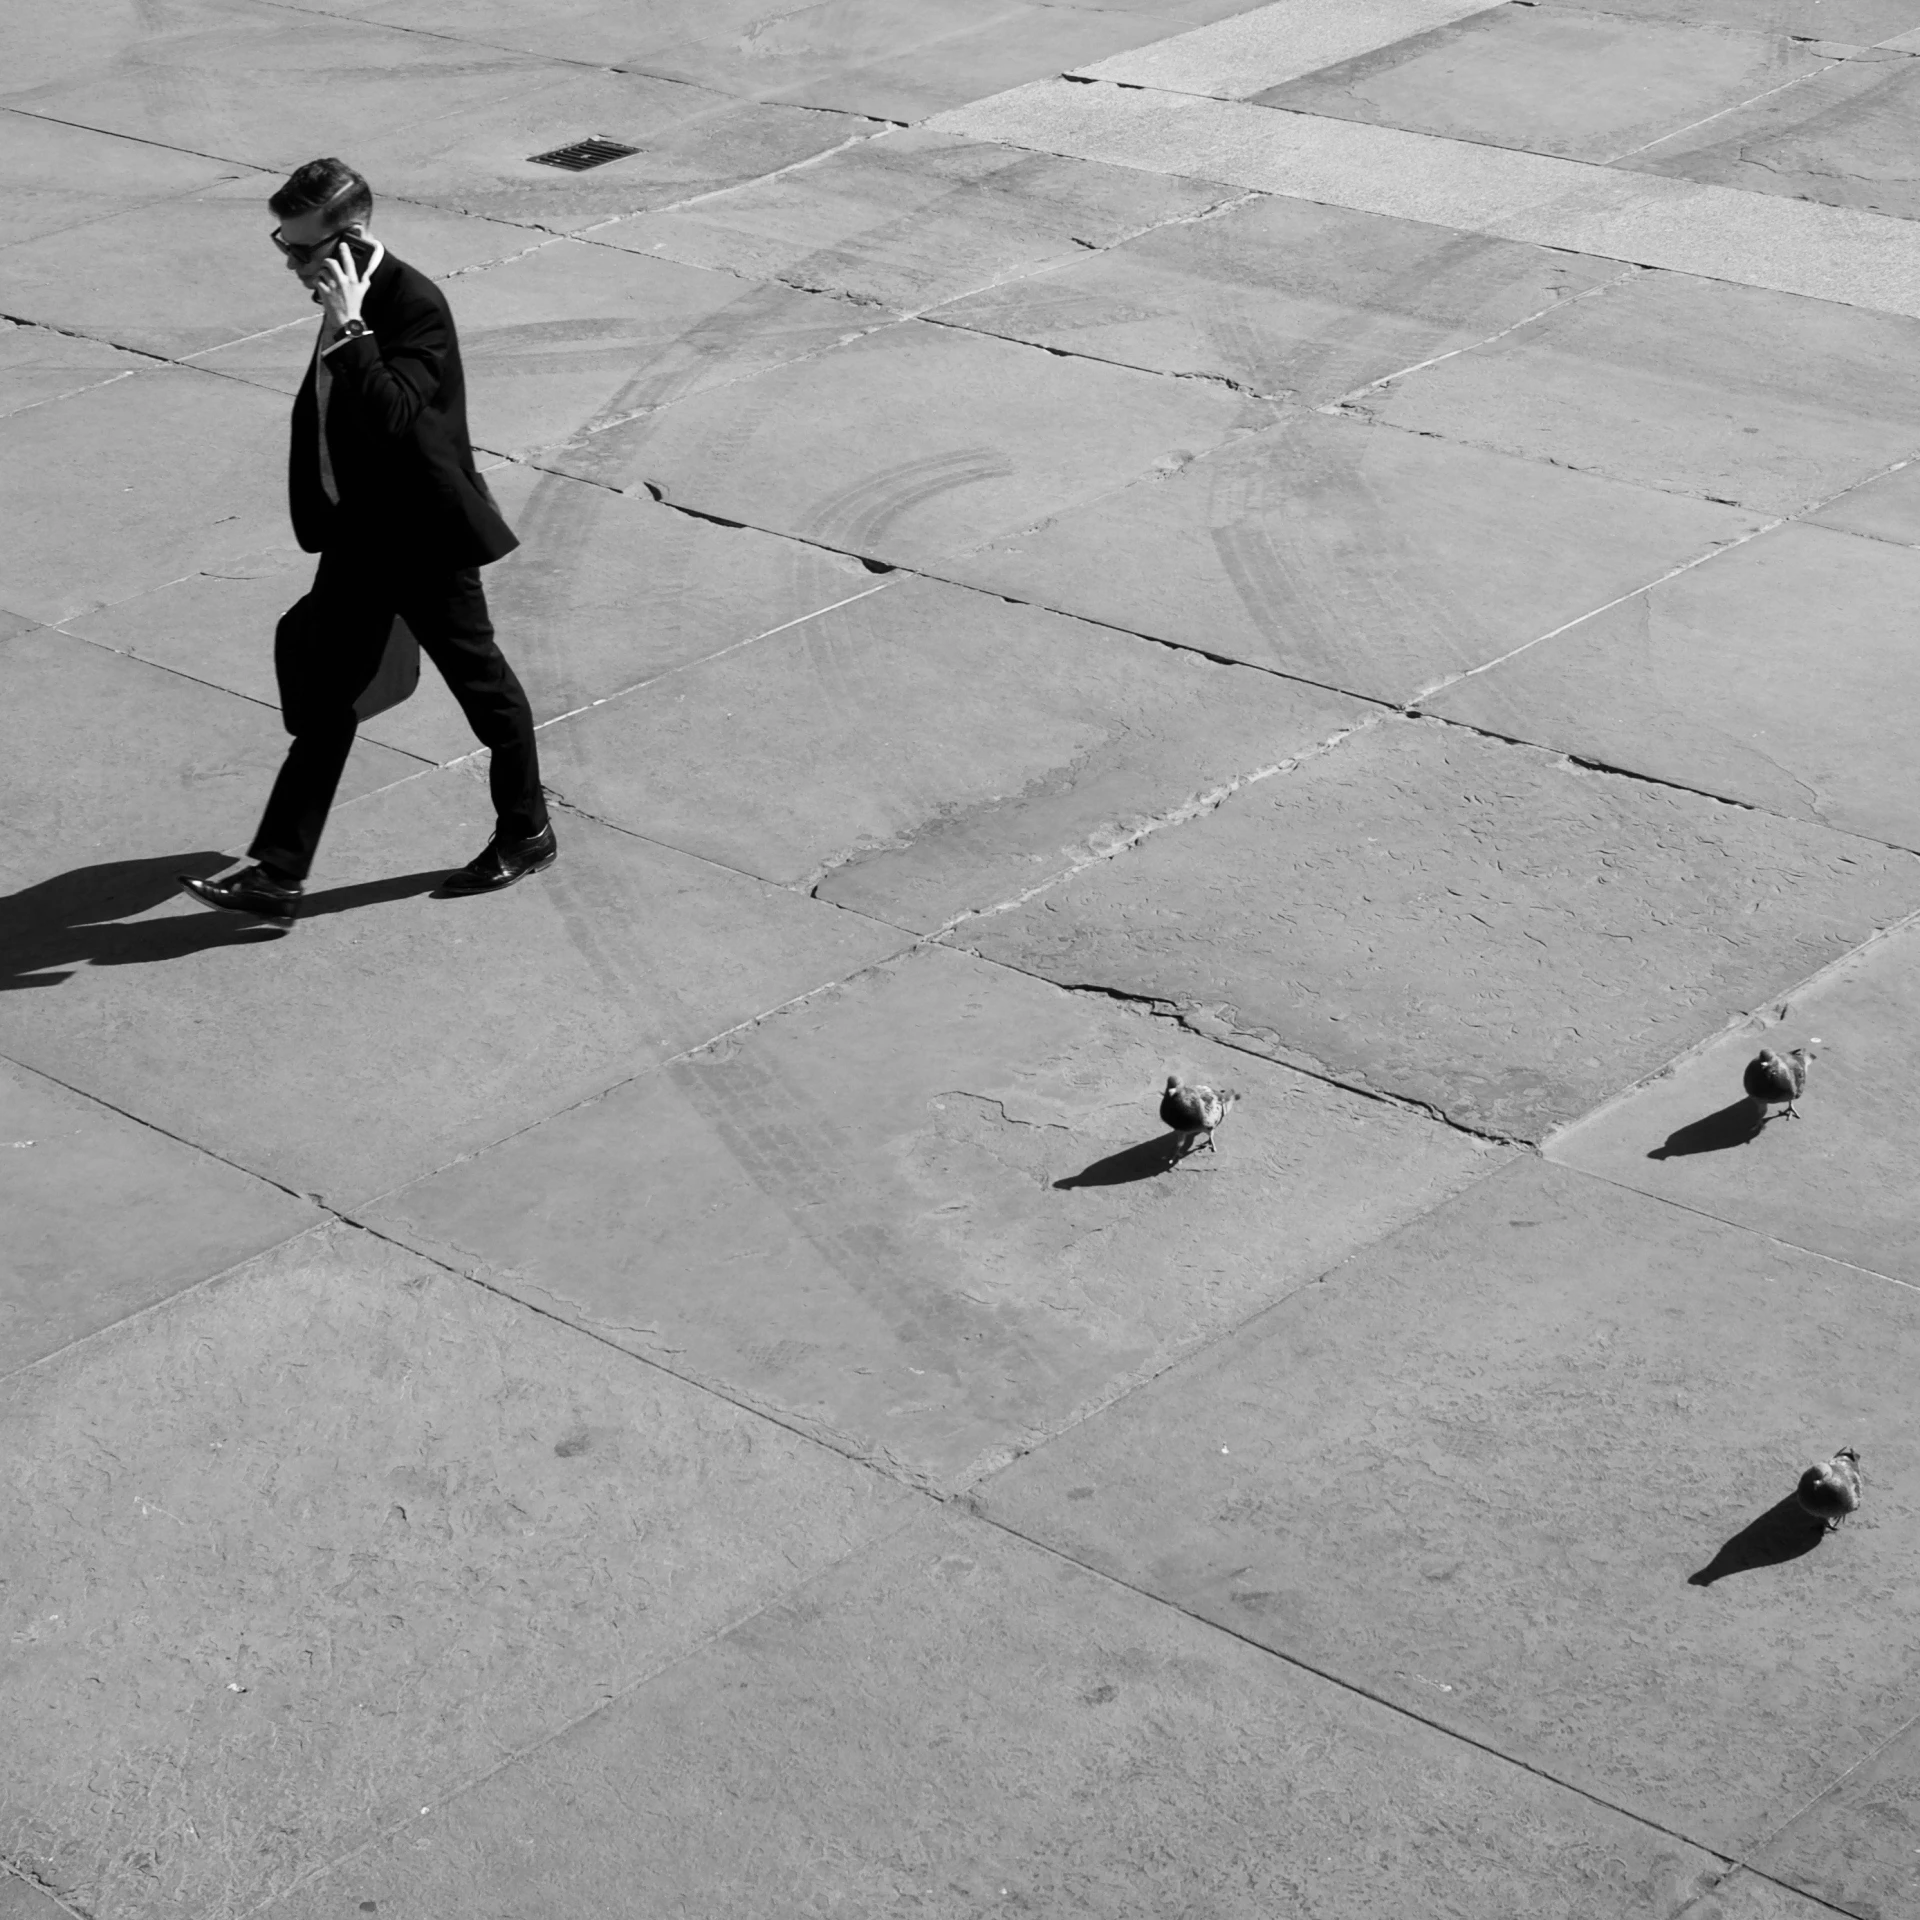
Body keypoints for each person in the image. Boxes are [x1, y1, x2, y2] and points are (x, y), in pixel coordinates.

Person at [179, 157, 555, 929]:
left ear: (347, 239)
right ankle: (278, 875)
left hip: (423, 539)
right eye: (279, 245)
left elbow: (393, 416)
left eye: (300, 249)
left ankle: (528, 831)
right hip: (359, 536)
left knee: (483, 689)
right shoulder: (337, 290)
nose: (289, 262)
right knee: (326, 699)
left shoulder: (413, 306)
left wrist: (352, 329)